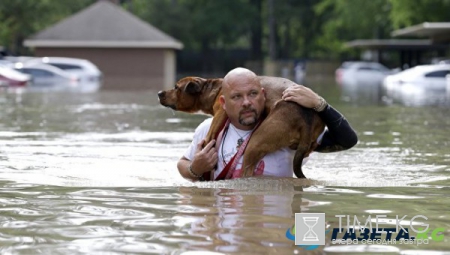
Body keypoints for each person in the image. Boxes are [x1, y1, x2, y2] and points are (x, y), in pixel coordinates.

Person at [177, 67, 358, 181]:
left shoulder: (285, 132)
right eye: (237, 96)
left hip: (277, 235)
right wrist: (195, 169)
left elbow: (347, 140)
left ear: (264, 95)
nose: (247, 102)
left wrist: (321, 105)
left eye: (253, 94)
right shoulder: (208, 129)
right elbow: (182, 165)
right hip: (228, 236)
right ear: (223, 103)